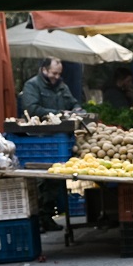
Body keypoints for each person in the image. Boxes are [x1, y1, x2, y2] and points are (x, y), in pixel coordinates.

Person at [19, 57, 82, 232]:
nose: (56, 77)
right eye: (53, 73)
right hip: (40, 140)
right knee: (41, 181)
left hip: (60, 140)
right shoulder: (32, 86)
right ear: (44, 70)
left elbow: (72, 102)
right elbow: (33, 109)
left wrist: (77, 109)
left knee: (54, 181)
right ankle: (40, 218)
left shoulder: (61, 86)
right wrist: (60, 113)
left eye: (58, 74)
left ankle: (47, 216)